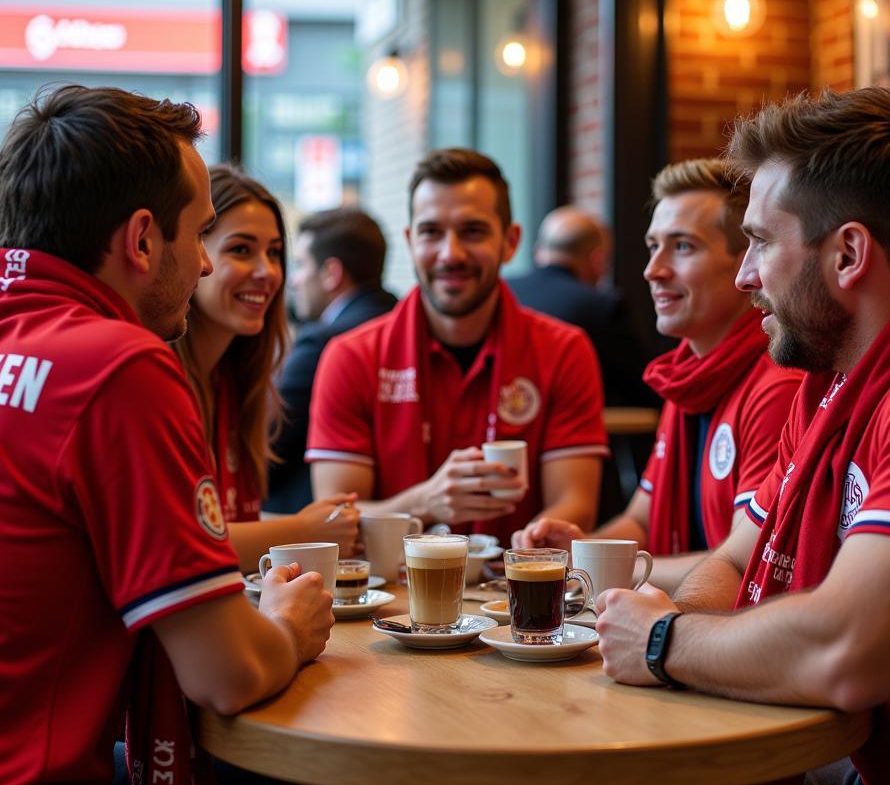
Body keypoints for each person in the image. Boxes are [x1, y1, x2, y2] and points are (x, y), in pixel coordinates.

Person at [557, 87, 890, 785]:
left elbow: (846, 649)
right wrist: (673, 615)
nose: (746, 277)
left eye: (761, 242)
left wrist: (664, 639)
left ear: (848, 254)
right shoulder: (833, 381)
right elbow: (738, 560)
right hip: (871, 781)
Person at [0, 86, 407, 785]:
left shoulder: (2, 329)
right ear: (143, 240)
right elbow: (226, 674)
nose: (210, 261)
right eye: (203, 233)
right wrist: (289, 624)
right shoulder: (118, 366)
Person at [515, 160, 801, 593]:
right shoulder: (685, 377)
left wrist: (604, 568)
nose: (653, 270)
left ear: (746, 260)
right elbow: (640, 521)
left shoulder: (777, 385)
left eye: (682, 246)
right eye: (653, 246)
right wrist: (577, 551)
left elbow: (746, 564)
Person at [306, 147, 609, 546]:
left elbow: (574, 502)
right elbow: (334, 518)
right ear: (411, 242)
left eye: (472, 231)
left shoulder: (565, 349)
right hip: (390, 598)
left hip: (514, 594)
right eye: (432, 232)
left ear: (510, 241)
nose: (451, 253)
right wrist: (426, 501)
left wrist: (537, 539)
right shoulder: (352, 355)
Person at [170, 165, 360, 570]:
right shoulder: (159, 378)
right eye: (241, 249)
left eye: (274, 253)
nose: (267, 272)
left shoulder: (238, 380)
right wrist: (303, 531)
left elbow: (228, 524)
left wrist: (318, 523)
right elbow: (179, 543)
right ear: (195, 254)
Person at [266, 208, 397, 514]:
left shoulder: (323, 341)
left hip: (311, 526)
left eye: (300, 265)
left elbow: (269, 447)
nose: (293, 280)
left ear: (331, 273)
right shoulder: (403, 325)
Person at [505, 205, 659, 407]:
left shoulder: (505, 292)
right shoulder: (603, 307)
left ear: (538, 251)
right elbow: (643, 388)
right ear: (597, 259)